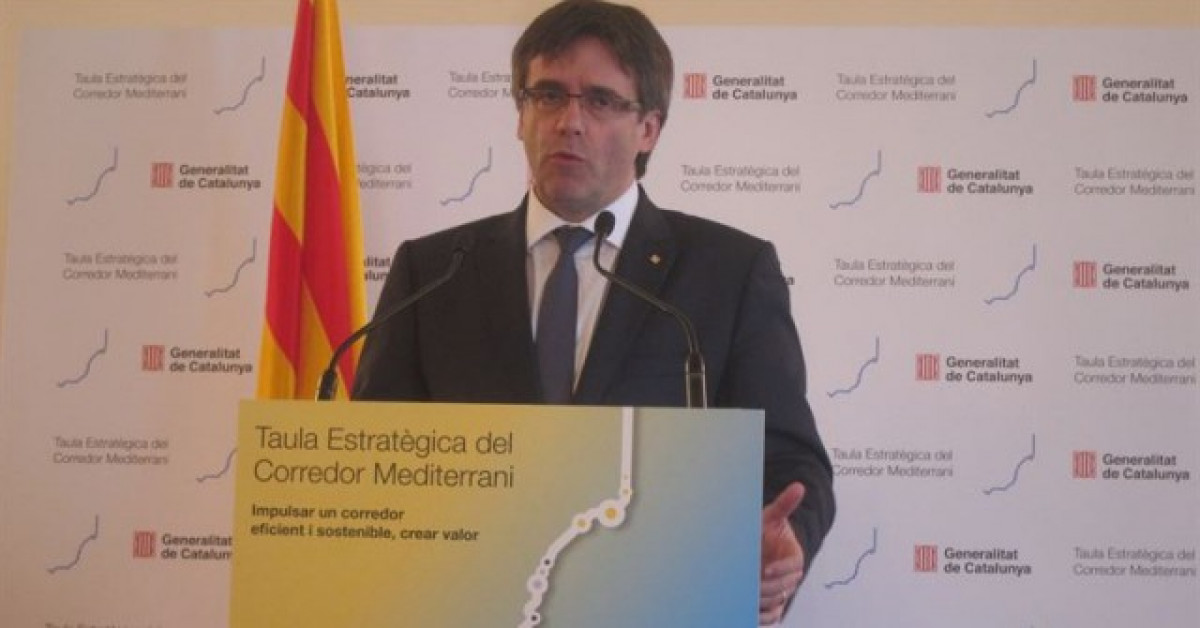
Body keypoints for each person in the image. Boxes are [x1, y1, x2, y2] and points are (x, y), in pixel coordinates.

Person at [353, 1, 834, 623]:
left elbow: (792, 460)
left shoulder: (730, 272)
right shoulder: (434, 271)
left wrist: (786, 548)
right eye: (548, 95)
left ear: (650, 128)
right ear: (520, 114)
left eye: (602, 101)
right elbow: (375, 458)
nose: (569, 122)